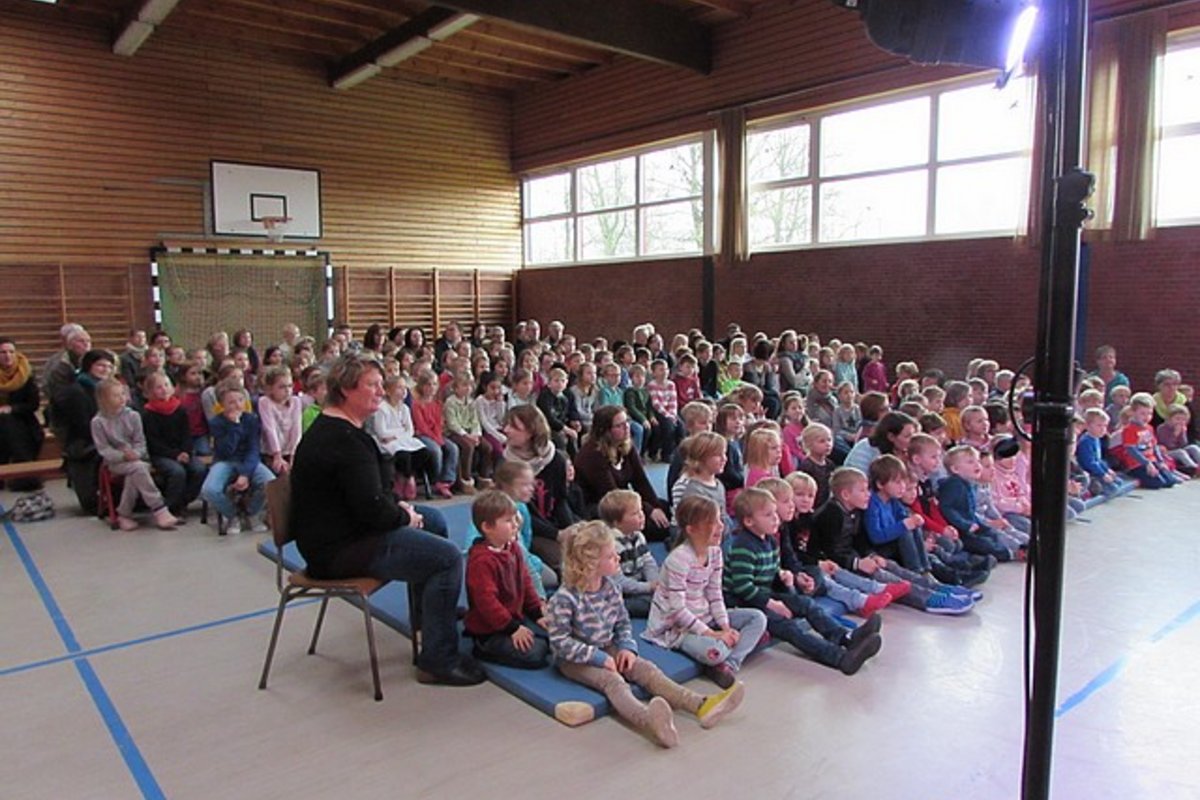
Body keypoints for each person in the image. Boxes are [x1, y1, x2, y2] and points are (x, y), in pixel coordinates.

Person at [290, 354, 484, 686]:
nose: (381, 391)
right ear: (347, 389)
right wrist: (403, 515)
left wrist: (402, 509)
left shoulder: (347, 431)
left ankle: (429, 621)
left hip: (346, 532)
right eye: (373, 385)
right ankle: (438, 660)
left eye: (381, 384)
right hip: (336, 550)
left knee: (434, 520)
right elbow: (373, 511)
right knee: (447, 558)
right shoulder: (342, 440)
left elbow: (372, 495)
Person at [546, 520, 744, 748]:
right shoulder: (564, 598)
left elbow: (622, 622)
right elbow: (560, 642)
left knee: (646, 670)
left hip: (606, 645)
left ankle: (701, 704)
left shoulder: (611, 587)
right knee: (613, 681)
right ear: (589, 563)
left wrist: (626, 648)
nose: (617, 558)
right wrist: (599, 658)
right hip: (574, 659)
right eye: (611, 556)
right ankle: (649, 720)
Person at [723, 488, 884, 674]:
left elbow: (768, 570)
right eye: (768, 515)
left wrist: (783, 574)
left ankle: (846, 637)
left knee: (806, 604)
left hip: (763, 595)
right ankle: (839, 658)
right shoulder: (743, 546)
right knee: (789, 628)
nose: (775, 518)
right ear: (749, 521)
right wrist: (773, 604)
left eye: (775, 513)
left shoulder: (770, 541)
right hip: (744, 603)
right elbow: (742, 587)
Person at [811, 468, 975, 615]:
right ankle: (928, 599)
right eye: (862, 490)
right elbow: (831, 551)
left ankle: (935, 587)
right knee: (886, 578)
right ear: (846, 495)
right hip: (838, 565)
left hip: (854, 558)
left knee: (892, 566)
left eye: (867, 489)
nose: (868, 494)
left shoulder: (856, 510)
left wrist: (871, 555)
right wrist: (857, 563)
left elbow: (859, 540)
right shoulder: (831, 515)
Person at [644, 495, 767, 688]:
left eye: (720, 520)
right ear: (691, 530)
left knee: (758, 618)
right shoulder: (679, 559)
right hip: (677, 627)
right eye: (712, 522)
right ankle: (724, 655)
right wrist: (711, 634)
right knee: (715, 652)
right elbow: (677, 610)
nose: (721, 526)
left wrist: (725, 628)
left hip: (705, 615)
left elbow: (715, 594)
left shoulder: (715, 552)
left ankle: (728, 665)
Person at [464, 490, 550, 670]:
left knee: (554, 634)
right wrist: (512, 628)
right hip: (492, 629)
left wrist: (537, 613)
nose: (516, 525)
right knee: (536, 653)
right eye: (508, 521)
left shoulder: (513, 548)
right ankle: (483, 648)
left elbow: (525, 582)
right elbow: (487, 602)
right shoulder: (481, 561)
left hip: (514, 617)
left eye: (515, 519)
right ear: (487, 527)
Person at [91, 378, 179, 530]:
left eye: (122, 394)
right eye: (116, 396)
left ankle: (123, 514)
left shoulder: (133, 416)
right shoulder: (97, 422)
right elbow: (103, 449)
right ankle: (159, 508)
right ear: (103, 399)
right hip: (116, 462)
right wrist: (122, 456)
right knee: (138, 468)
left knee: (137, 469)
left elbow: (140, 442)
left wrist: (136, 453)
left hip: (138, 458)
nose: (122, 398)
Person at [573, 405, 672, 541]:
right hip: (602, 506)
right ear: (606, 431)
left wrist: (655, 507)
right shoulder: (592, 455)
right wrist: (648, 511)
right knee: (656, 526)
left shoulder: (625, 445)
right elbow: (612, 495)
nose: (627, 427)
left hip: (623, 499)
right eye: (619, 425)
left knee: (666, 508)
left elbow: (641, 481)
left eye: (626, 422)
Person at [200, 385, 274, 534]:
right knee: (209, 490)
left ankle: (252, 512)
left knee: (270, 483)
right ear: (222, 404)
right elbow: (225, 451)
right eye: (231, 402)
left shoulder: (251, 419)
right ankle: (233, 515)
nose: (237, 405)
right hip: (225, 461)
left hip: (247, 460)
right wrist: (234, 426)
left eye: (240, 400)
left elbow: (254, 449)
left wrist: (245, 474)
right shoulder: (216, 423)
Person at [51, 348, 113, 513]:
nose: (106, 370)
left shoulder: (107, 388)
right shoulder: (76, 391)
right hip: (83, 443)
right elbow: (82, 425)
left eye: (109, 366)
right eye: (101, 365)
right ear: (89, 366)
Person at [141, 371, 207, 518]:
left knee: (199, 469)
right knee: (177, 472)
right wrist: (175, 455)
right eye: (159, 387)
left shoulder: (180, 409)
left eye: (166, 385)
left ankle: (182, 502)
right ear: (150, 391)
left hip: (183, 452)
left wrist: (186, 451)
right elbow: (153, 442)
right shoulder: (148, 414)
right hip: (161, 454)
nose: (164, 389)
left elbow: (186, 434)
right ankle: (170, 508)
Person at [367, 375, 432, 501]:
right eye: (399, 388)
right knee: (403, 456)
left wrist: (396, 434)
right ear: (388, 391)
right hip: (387, 443)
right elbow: (382, 432)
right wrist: (400, 431)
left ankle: (409, 475)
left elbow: (410, 430)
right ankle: (402, 479)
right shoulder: (382, 408)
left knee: (424, 453)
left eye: (405, 388)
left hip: (402, 440)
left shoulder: (404, 408)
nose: (403, 391)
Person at [598, 489, 660, 618]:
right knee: (653, 606)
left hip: (637, 585)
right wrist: (648, 587)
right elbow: (618, 581)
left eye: (641, 510)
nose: (642, 515)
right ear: (617, 522)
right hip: (619, 593)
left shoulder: (638, 536)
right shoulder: (612, 545)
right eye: (635, 513)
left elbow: (648, 562)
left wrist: (655, 582)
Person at [0, 337, 45, 489]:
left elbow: (33, 404)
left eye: (11, 352)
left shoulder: (26, 372)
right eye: (3, 352)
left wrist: (12, 409)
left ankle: (23, 474)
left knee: (10, 425)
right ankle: (24, 475)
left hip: (22, 418)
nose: (8, 356)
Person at [411, 370, 458, 498]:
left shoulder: (437, 403)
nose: (432, 387)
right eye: (428, 384)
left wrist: (438, 437)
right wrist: (435, 439)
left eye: (434, 384)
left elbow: (439, 423)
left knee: (452, 448)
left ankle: (446, 480)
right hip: (421, 435)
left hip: (436, 434)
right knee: (435, 450)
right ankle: (435, 478)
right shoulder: (417, 405)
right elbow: (421, 426)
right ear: (422, 386)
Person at [257, 365, 302, 476]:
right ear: (270, 388)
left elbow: (296, 428)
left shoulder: (296, 402)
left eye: (290, 386)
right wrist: (277, 454)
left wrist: (294, 453)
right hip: (271, 452)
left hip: (290, 450)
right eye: (282, 387)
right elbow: (270, 428)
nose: (287, 390)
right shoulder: (265, 402)